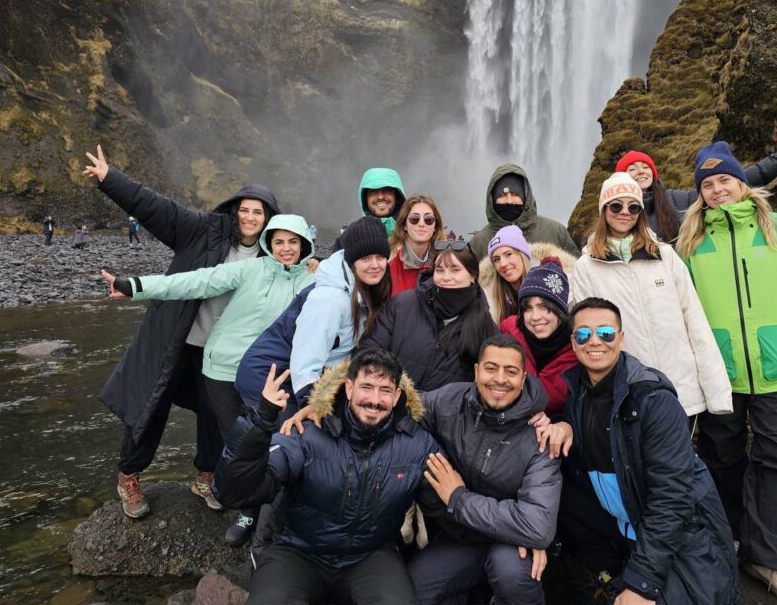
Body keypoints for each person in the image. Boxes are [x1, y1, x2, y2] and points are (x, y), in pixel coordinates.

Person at [82, 144, 279, 521]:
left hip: (218, 351)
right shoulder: (204, 230)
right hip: (175, 337)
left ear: (268, 219)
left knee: (215, 413)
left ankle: (206, 476)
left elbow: (296, 273)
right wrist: (110, 179)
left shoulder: (271, 256)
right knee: (151, 406)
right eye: (245, 209)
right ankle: (129, 475)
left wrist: (314, 266)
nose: (250, 217)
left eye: (259, 212)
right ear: (235, 210)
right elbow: (157, 208)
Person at [101, 214, 316, 543]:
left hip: (269, 378)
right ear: (269, 244)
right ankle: (248, 511)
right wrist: (135, 286)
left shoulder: (314, 279)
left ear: (304, 245)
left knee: (277, 444)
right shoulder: (250, 269)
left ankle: (278, 514)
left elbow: (354, 274)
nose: (286, 249)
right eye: (278, 242)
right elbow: (196, 281)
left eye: (293, 242)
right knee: (240, 446)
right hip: (222, 370)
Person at [678, 141, 777, 605]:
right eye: (708, 184)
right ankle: (731, 540)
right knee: (720, 457)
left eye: (724, 179)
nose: (717, 189)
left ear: (742, 182)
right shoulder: (690, 242)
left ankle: (774, 560)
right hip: (719, 374)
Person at [550, 297, 739, 604]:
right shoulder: (579, 395)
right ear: (573, 343)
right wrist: (563, 422)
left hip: (683, 533)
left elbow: (672, 497)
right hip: (623, 526)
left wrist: (642, 583)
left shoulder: (654, 401)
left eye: (605, 333)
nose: (594, 341)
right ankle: (607, 574)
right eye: (583, 334)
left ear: (621, 338)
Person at [213, 348, 439, 605]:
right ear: (349, 388)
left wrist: (458, 497)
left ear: (397, 396)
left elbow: (443, 505)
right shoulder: (306, 433)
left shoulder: (417, 445)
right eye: (366, 387)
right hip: (297, 551)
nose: (374, 400)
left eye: (385, 390)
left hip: (370, 555)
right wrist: (261, 420)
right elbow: (233, 492)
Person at [405, 334, 561, 604]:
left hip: (510, 543)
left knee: (511, 573)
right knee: (414, 590)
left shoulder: (540, 435)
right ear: (476, 371)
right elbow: (400, 409)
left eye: (510, 371)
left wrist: (458, 498)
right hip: (463, 535)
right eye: (491, 368)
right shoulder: (450, 400)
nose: (500, 379)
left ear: (523, 378)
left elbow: (537, 526)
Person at [568, 173, 732, 419]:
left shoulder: (664, 256)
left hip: (682, 391)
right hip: (628, 394)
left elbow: (695, 321)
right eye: (616, 206)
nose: (625, 212)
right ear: (603, 210)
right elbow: (589, 340)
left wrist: (717, 393)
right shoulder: (586, 267)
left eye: (633, 207)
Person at [360, 239, 496, 392]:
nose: (446, 277)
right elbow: (368, 351)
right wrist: (387, 390)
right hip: (389, 400)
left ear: (473, 275)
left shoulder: (485, 326)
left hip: (442, 407)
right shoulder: (403, 304)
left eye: (455, 270)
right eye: (440, 270)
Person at [287, 216, 393, 407]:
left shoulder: (366, 290)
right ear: (352, 262)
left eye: (380, 257)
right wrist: (312, 408)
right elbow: (305, 363)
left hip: (325, 380)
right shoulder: (330, 299)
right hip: (286, 385)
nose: (375, 265)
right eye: (365, 258)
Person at [614, 134, 777, 242]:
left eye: (645, 167)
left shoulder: (675, 199)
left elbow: (740, 179)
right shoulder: (615, 212)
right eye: (632, 169)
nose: (641, 171)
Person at [499, 259, 579, 416]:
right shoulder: (508, 334)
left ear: (560, 309)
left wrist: (561, 424)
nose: (535, 317)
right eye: (528, 308)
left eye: (544, 307)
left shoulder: (578, 349)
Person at [468, 163, 578, 260]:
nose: (509, 201)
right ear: (492, 200)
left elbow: (578, 271)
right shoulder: (478, 244)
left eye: (515, 194)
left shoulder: (556, 232)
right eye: (502, 195)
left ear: (525, 197)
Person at [480, 224, 578, 323]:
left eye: (508, 254)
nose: (503, 264)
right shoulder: (490, 297)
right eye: (496, 259)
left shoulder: (550, 283)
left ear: (522, 255)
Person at [333, 167, 406, 250]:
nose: (380, 197)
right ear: (365, 198)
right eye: (373, 191)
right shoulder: (349, 237)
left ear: (397, 196)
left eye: (387, 190)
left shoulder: (413, 230)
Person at [388, 195, 446, 296]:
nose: (421, 224)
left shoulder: (446, 263)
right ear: (404, 225)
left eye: (428, 219)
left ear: (435, 227)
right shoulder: (387, 264)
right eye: (414, 219)